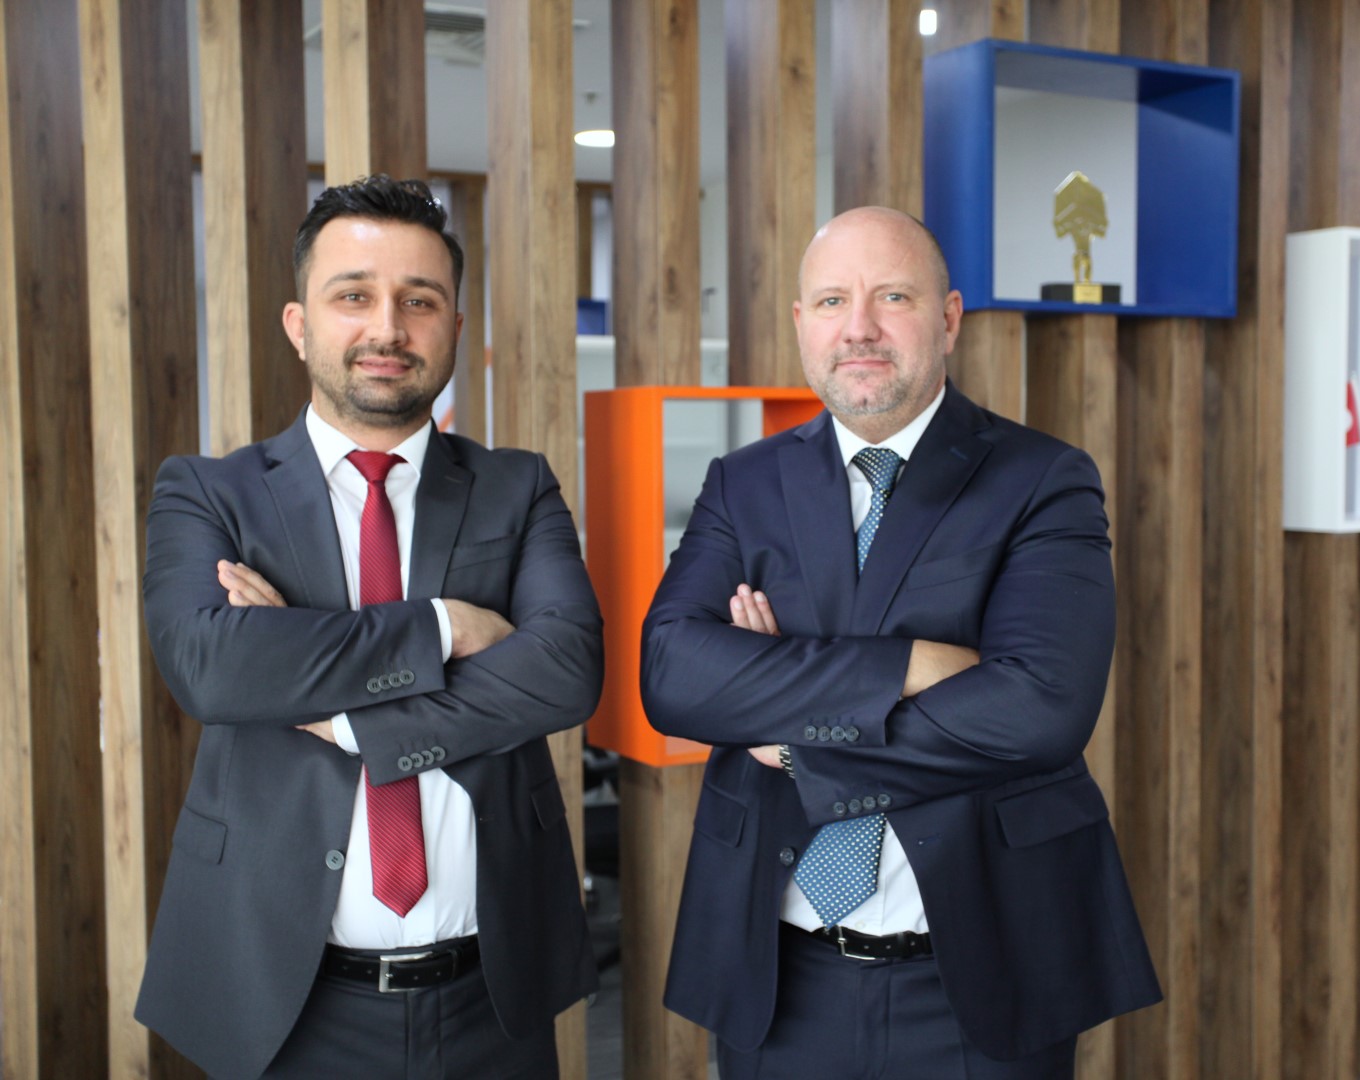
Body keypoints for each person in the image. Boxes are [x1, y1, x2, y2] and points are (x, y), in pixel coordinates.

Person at [640, 206, 1161, 1079]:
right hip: (778, 970)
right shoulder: (744, 483)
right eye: (831, 301)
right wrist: (914, 666)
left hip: (982, 969)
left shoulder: (1041, 478)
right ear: (801, 323)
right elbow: (671, 674)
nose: (859, 328)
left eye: (892, 297)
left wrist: (791, 733)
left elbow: (1039, 708)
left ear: (948, 318)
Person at [135, 175, 602, 1080]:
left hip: (492, 993)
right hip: (282, 998)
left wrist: (339, 710)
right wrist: (442, 626)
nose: (387, 328)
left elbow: (567, 670)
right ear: (299, 323)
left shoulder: (516, 486)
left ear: (453, 326)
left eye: (418, 301)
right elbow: (214, 669)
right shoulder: (209, 492)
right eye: (353, 296)